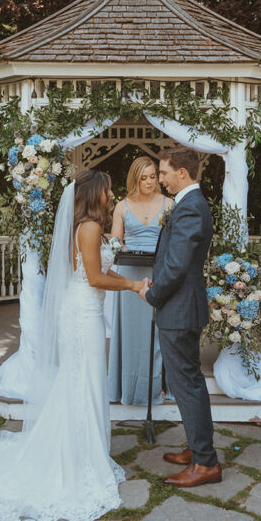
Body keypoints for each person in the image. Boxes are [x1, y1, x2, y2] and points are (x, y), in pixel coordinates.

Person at [0, 170, 147, 521]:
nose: (111, 194)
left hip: (83, 309)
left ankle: (83, 454)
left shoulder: (88, 226)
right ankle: (79, 459)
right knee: (83, 380)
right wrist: (134, 284)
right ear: (95, 193)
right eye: (108, 190)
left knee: (81, 380)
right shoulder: (89, 227)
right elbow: (94, 278)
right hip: (82, 312)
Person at [139, 147, 220, 488]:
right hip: (182, 306)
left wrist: (152, 294)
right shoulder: (189, 204)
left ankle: (205, 463)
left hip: (179, 307)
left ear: (182, 174)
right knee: (189, 384)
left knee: (186, 384)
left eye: (163, 173)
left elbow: (177, 264)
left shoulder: (189, 208)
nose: (160, 179)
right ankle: (197, 449)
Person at [108, 156, 169, 406]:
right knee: (130, 332)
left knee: (157, 331)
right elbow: (114, 241)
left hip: (159, 271)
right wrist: (119, 248)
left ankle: (157, 387)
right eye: (143, 177)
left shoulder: (170, 204)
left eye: (153, 176)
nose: (149, 181)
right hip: (130, 272)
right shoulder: (122, 206)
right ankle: (125, 387)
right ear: (135, 179)